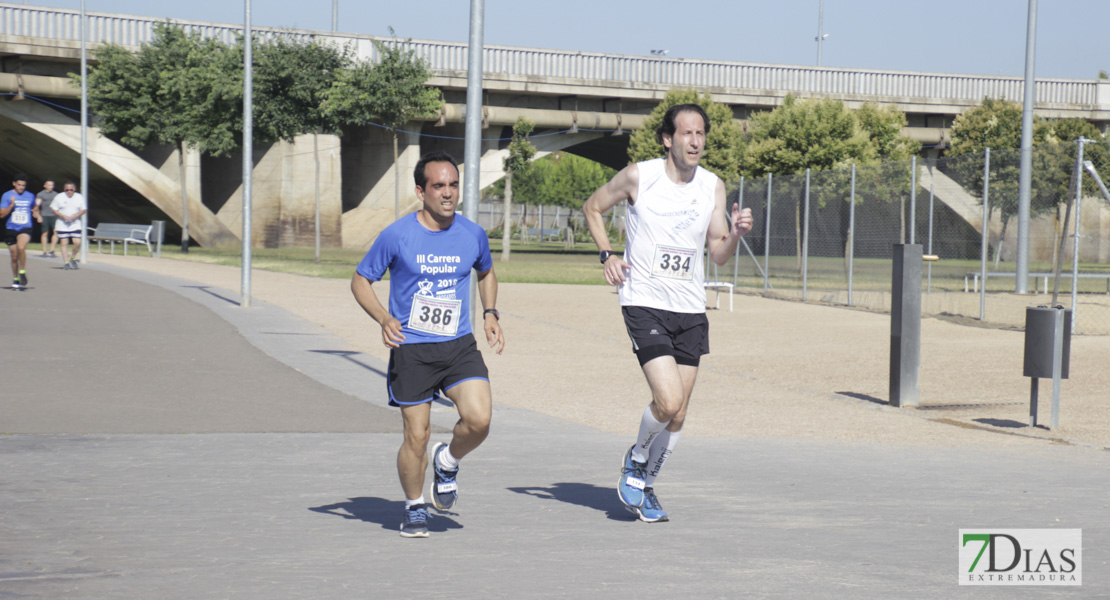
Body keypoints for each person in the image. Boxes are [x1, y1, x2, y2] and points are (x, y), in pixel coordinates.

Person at [583, 103, 753, 523]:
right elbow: (592, 207)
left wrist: (735, 235)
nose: (695, 141)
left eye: (701, 134)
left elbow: (718, 255)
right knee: (668, 398)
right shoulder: (640, 176)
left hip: (690, 308)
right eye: (686, 133)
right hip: (644, 301)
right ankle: (636, 458)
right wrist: (607, 254)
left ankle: (647, 484)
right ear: (667, 138)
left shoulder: (712, 186)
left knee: (679, 412)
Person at [351, 150, 505, 538]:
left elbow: (486, 272)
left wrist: (490, 312)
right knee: (416, 436)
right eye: (439, 186)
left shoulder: (472, 233)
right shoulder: (397, 235)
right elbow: (360, 280)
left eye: (453, 185)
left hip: (457, 345)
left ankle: (449, 461)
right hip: (413, 349)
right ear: (421, 191)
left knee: (480, 419)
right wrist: (384, 318)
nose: (448, 193)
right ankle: (414, 506)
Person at [1, 173, 37, 289]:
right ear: (14, 184)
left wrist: (36, 212)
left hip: (25, 227)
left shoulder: (30, 196)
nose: (21, 187)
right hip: (11, 228)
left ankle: (22, 272)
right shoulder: (7, 195)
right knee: (14, 256)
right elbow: (2, 215)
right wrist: (11, 205)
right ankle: (15, 277)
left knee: (21, 248)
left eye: (23, 185)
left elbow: (34, 206)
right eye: (19, 185)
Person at [50, 181, 86, 270]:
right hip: (62, 224)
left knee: (77, 242)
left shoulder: (79, 197)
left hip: (75, 223)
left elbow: (84, 209)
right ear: (64, 189)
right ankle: (66, 262)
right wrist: (62, 216)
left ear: (74, 189)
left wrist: (76, 215)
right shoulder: (59, 197)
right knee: (64, 243)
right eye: (67, 190)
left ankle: (73, 258)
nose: (69, 191)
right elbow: (53, 209)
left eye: (71, 190)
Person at [36, 180, 59, 257]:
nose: (51, 187)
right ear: (45, 186)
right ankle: (44, 251)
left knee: (56, 232)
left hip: (54, 215)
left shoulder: (56, 195)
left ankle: (52, 250)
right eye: (49, 185)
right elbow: (37, 206)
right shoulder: (40, 194)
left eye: (52, 185)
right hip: (44, 215)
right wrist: (38, 215)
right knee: (44, 233)